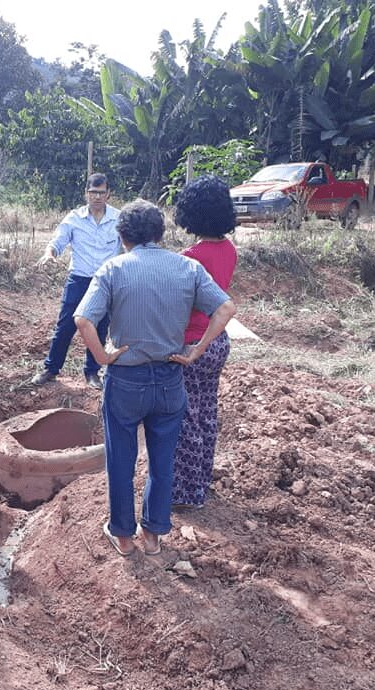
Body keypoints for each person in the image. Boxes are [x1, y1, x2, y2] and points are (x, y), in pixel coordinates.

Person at [74, 199, 236, 556]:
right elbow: (226, 308)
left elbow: (83, 319)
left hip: (126, 380)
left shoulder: (113, 269)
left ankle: (123, 537)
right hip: (170, 379)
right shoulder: (188, 268)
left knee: (121, 460)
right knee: (163, 460)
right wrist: (196, 350)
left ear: (122, 235)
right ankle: (153, 537)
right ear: (161, 233)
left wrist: (102, 357)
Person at [171, 176, 239, 510]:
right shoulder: (228, 249)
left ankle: (185, 493)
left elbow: (181, 307)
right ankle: (200, 483)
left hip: (192, 344)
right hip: (217, 341)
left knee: (186, 419)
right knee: (206, 414)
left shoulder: (190, 257)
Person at [31, 173, 121, 390]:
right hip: (79, 279)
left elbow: (128, 246)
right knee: (65, 326)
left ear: (108, 194)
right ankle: (51, 369)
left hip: (106, 282)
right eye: (93, 192)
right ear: (86, 193)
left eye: (101, 192)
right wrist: (50, 253)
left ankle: (92, 372)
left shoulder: (118, 219)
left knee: (100, 327)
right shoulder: (74, 218)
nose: (97, 197)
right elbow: (58, 241)